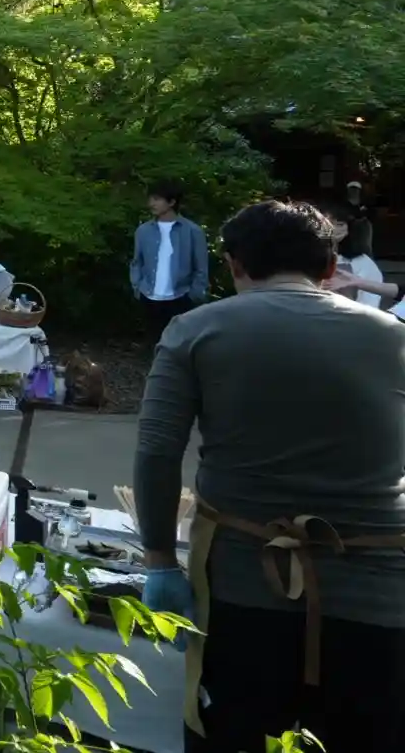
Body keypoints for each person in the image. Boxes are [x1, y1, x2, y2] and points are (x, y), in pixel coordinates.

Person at [135, 200, 405, 753]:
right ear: (330, 267)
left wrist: (160, 559)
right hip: (381, 593)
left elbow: (158, 452)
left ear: (234, 265)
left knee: (235, 737)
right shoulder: (394, 335)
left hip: (242, 587)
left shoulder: (195, 330)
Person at [130, 181, 209, 346]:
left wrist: (194, 295)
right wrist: (138, 287)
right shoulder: (143, 231)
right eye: (150, 199)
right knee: (154, 345)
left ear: (172, 202)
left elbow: (201, 268)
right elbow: (137, 262)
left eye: (157, 199)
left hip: (180, 298)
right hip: (149, 297)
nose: (151, 203)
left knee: (179, 346)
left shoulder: (193, 231)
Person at [324, 205, 386, 308]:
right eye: (328, 224)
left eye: (340, 224)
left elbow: (370, 301)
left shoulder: (362, 262)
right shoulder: (305, 257)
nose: (333, 228)